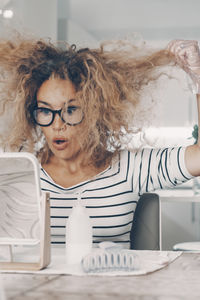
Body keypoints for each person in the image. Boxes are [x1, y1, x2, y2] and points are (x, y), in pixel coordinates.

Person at [0, 35, 200, 248]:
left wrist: (198, 77)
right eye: (45, 110)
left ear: (95, 112)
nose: (57, 124)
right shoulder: (16, 171)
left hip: (109, 281)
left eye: (71, 109)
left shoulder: (129, 168)